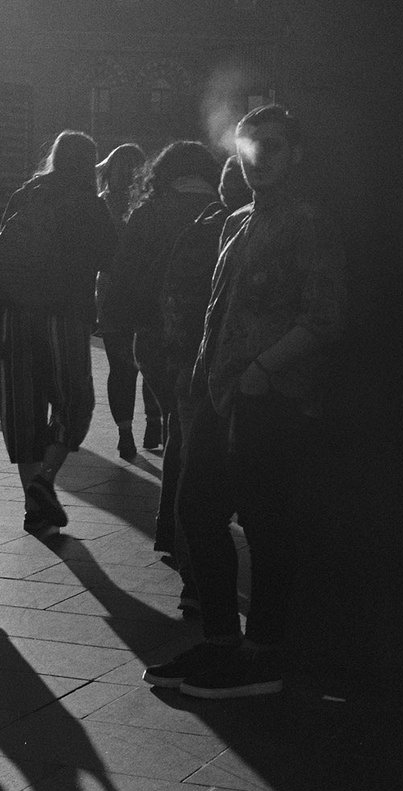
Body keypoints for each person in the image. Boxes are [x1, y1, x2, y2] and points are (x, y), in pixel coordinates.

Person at [143, 105, 348, 699]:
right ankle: (221, 639)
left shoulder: (311, 223)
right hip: (220, 393)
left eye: (273, 147)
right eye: (249, 146)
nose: (259, 159)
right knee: (195, 510)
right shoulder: (235, 222)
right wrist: (206, 376)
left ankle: (263, 650)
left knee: (264, 521)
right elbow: (219, 311)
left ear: (296, 154)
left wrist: (263, 370)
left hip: (271, 397)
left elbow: (324, 316)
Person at [0, 130, 118, 536]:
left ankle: (35, 509)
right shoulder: (89, 204)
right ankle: (46, 479)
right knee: (73, 403)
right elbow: (108, 256)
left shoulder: (26, 194)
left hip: (14, 316)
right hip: (64, 316)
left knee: (23, 413)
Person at [106, 141, 221, 554]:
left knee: (179, 422)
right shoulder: (224, 214)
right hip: (206, 341)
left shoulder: (148, 213)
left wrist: (118, 331)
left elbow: (122, 280)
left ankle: (173, 531)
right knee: (193, 431)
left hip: (153, 340)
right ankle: (186, 534)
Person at [157, 154, 252, 612]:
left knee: (191, 470)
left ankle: (195, 579)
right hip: (231, 375)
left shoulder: (203, 228)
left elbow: (175, 300)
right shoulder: (240, 228)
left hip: (199, 370)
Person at [93, 142, 153, 460]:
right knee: (127, 365)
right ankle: (128, 431)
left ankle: (144, 425)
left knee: (138, 363)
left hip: (123, 293)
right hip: (122, 295)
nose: (128, 174)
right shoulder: (145, 205)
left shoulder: (106, 205)